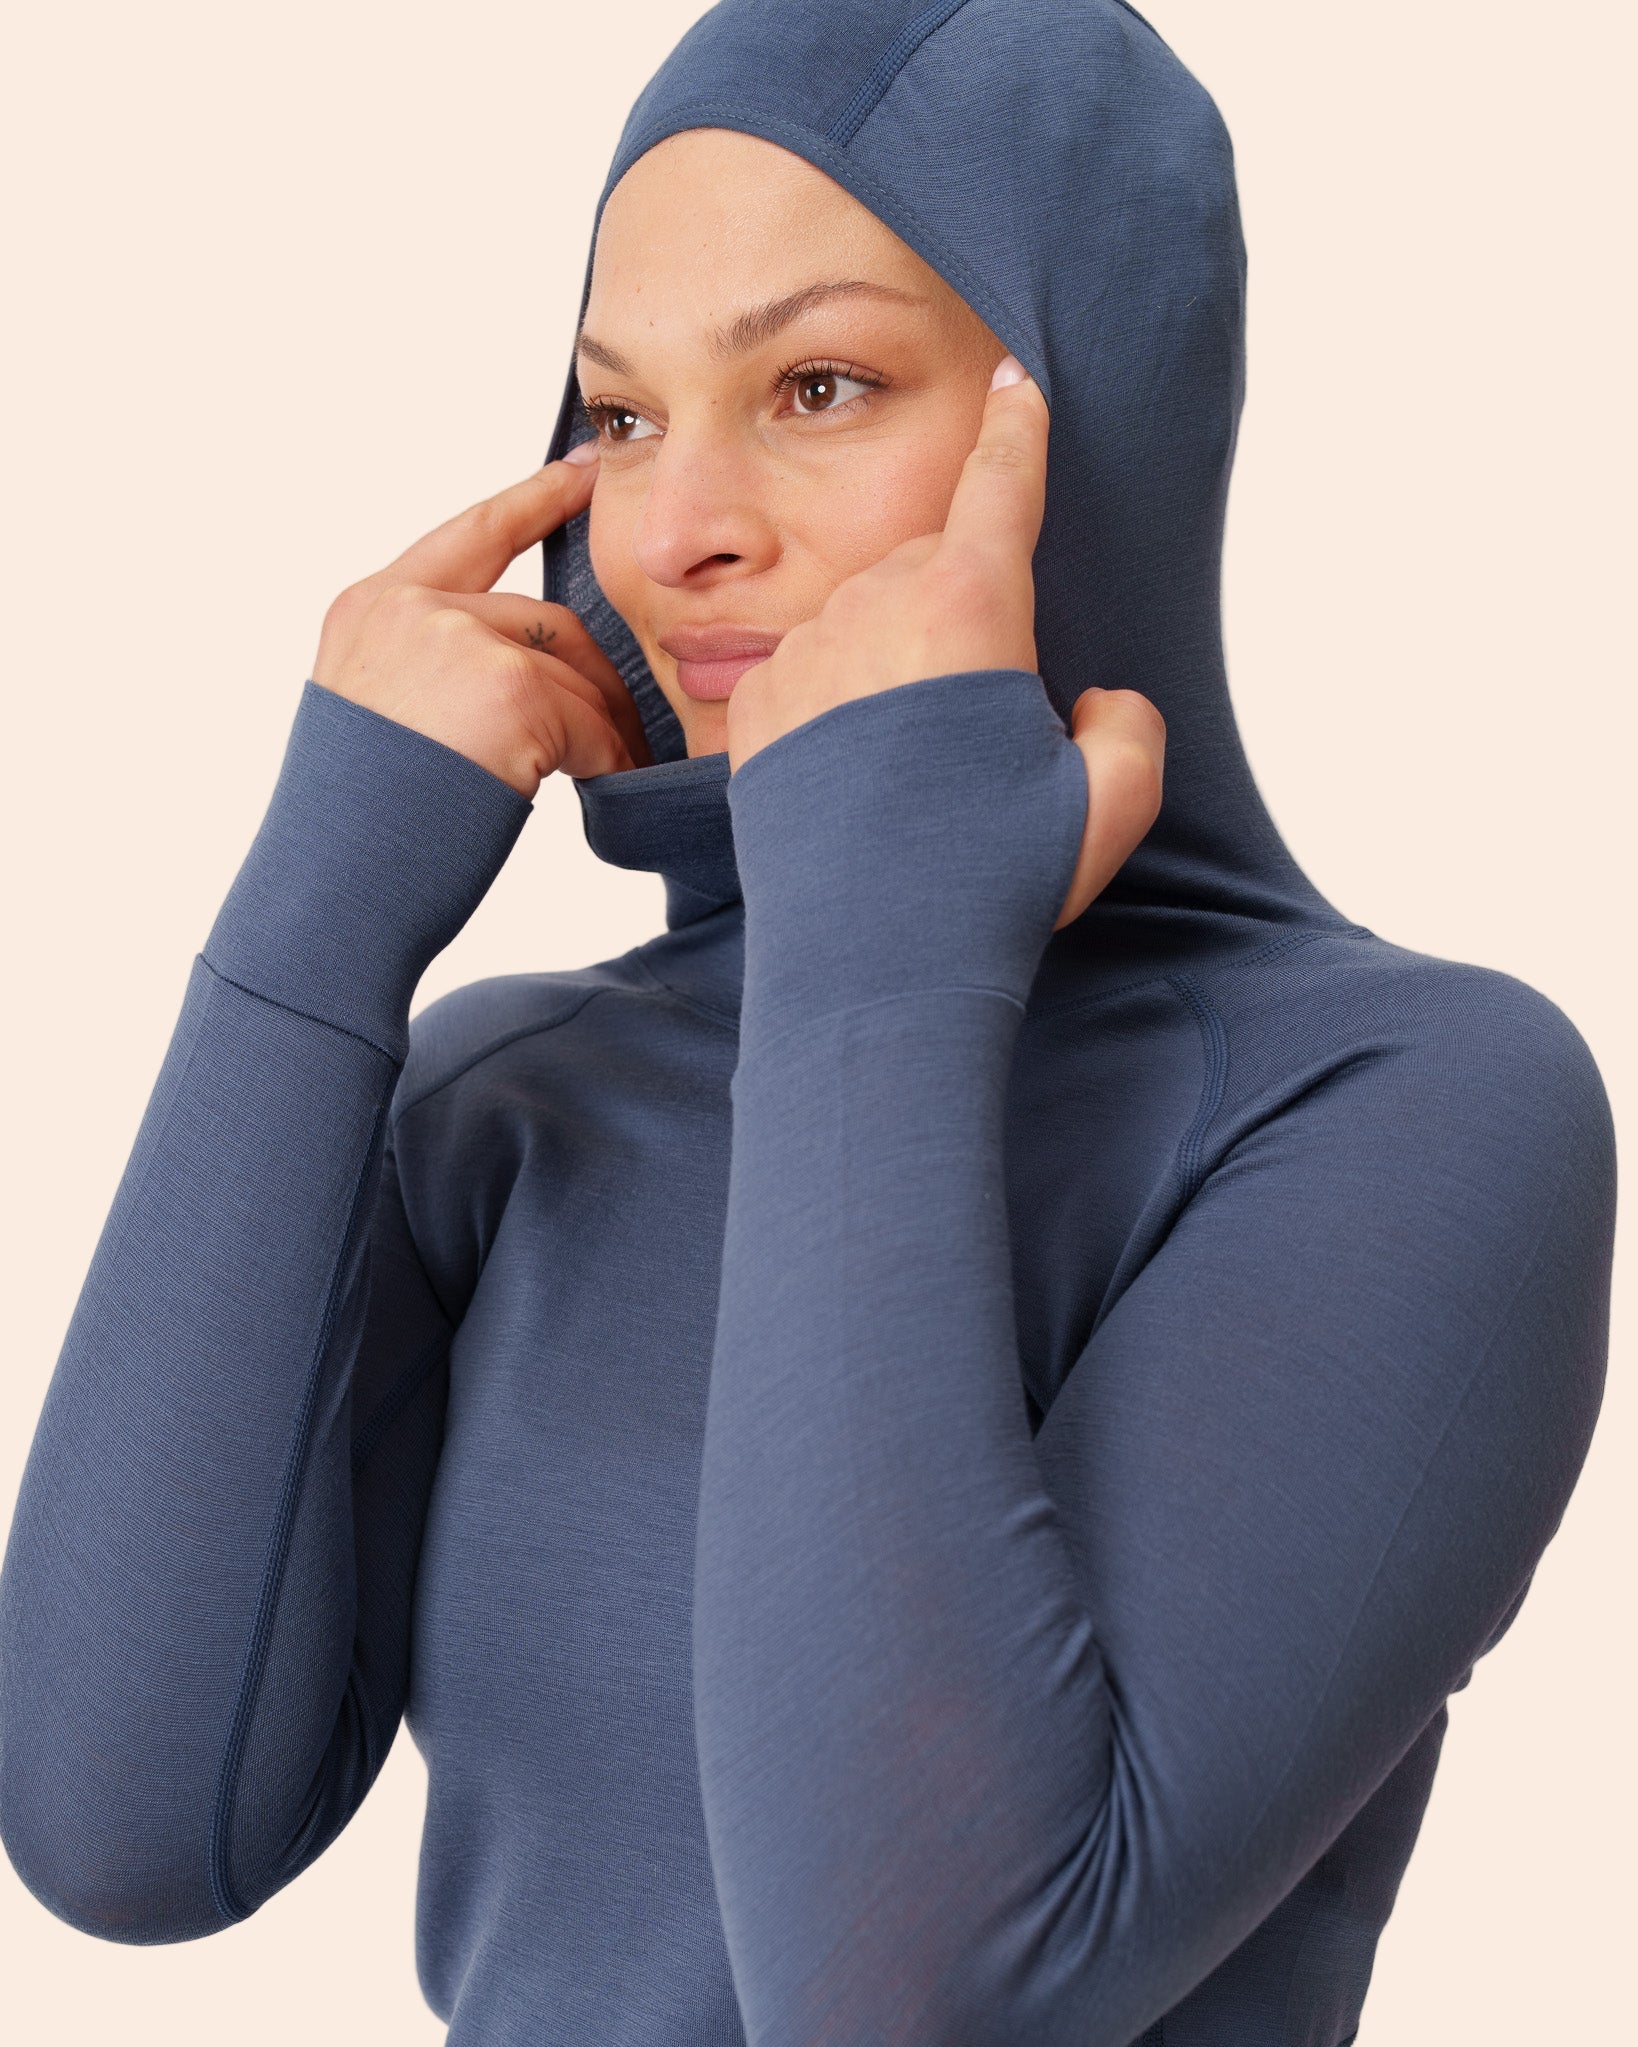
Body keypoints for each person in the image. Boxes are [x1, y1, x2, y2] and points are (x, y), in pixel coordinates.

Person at [0, 2, 1615, 2043]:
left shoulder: (1406, 1105)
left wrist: (878, 953)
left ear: (1093, 425)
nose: (671, 527)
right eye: (618, 416)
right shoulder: (514, 1102)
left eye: (818, 386)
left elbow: (911, 1994)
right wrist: (312, 927)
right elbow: (121, 1832)